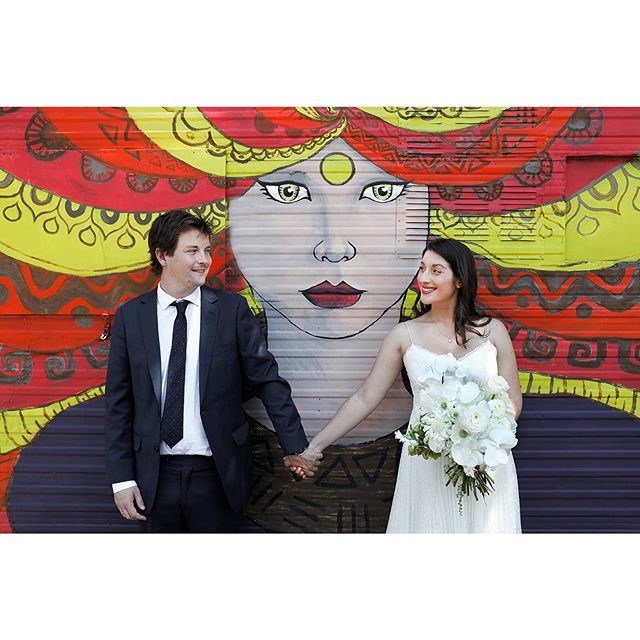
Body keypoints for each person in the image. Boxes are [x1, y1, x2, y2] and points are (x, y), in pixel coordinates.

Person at [104, 208, 321, 532]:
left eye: (207, 251)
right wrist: (121, 478)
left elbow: (267, 381)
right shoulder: (131, 316)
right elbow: (119, 403)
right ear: (162, 255)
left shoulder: (231, 311)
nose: (204, 260)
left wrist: (294, 447)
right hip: (153, 476)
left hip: (217, 473)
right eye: (192, 251)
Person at [293, 238, 522, 533]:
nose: (423, 279)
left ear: (460, 280)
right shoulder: (404, 335)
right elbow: (365, 397)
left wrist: (475, 438)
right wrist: (314, 448)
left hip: (486, 462)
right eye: (422, 268)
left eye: (436, 271)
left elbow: (512, 402)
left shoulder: (493, 331)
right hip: (427, 464)